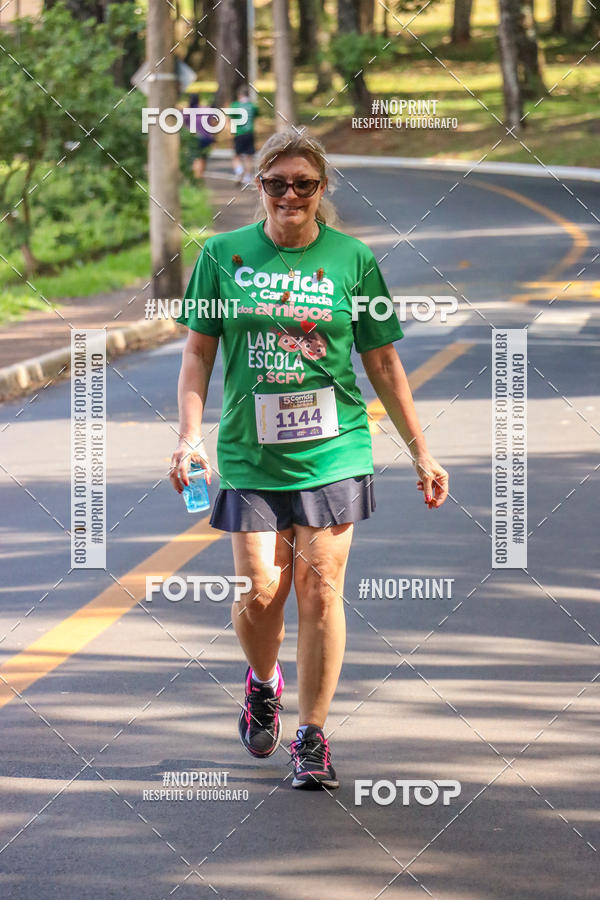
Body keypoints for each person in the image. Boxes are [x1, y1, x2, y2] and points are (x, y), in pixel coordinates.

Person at [170, 126, 448, 791]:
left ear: (322, 190)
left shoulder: (353, 260)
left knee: (320, 588)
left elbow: (381, 357)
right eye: (276, 183)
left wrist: (421, 451)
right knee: (262, 591)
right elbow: (198, 353)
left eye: (304, 184)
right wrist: (189, 436)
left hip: (335, 446)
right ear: (258, 186)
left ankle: (313, 735)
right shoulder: (222, 256)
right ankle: (264, 681)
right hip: (249, 451)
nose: (290, 195)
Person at [230, 84, 259, 185]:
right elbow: (256, 114)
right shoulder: (252, 106)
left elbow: (230, 117)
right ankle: (247, 177)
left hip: (239, 133)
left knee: (236, 156)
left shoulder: (235, 105)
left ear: (239, 95)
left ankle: (239, 170)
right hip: (250, 133)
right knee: (249, 156)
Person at [182, 92, 214, 181]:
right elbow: (212, 122)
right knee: (203, 157)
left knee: (196, 157)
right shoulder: (206, 109)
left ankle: (197, 177)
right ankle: (200, 175)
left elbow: (184, 124)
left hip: (195, 138)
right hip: (207, 137)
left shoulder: (188, 111)